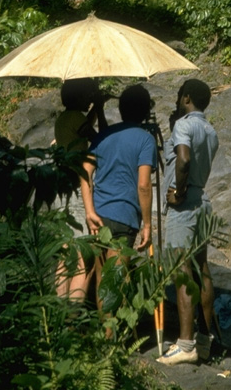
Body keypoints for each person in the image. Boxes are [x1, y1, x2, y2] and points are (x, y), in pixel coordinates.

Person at [157, 78, 219, 366]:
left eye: (179, 96)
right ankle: (205, 341)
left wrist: (177, 191)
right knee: (202, 268)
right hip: (203, 200)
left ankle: (185, 345)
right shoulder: (210, 130)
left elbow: (182, 159)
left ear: (186, 98)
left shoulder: (185, 125)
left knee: (182, 270)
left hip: (186, 203)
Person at [80, 84, 157, 312]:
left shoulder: (104, 135)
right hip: (125, 217)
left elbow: (85, 172)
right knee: (117, 280)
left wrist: (89, 211)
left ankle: (106, 336)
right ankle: (113, 338)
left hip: (100, 215)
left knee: (104, 278)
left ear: (121, 109)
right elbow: (144, 185)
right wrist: (148, 224)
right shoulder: (145, 140)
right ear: (145, 112)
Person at [54, 77, 107, 300]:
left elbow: (82, 127)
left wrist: (94, 108)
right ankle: (75, 314)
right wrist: (101, 111)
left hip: (60, 185)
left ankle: (60, 307)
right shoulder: (76, 118)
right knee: (80, 253)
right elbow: (101, 138)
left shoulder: (64, 119)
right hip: (77, 186)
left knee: (65, 251)